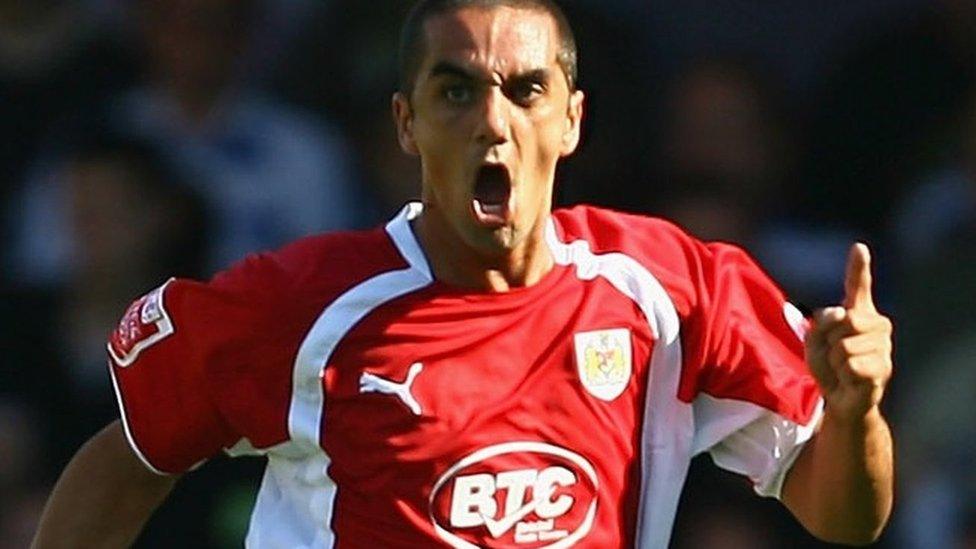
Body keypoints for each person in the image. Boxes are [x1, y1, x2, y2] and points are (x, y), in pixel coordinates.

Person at [32, 1, 894, 547]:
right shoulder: (307, 304)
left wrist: (855, 413)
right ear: (405, 125)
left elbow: (846, 517)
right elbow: (129, 458)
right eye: (456, 92)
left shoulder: (670, 289)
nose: (493, 122)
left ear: (572, 120)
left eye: (525, 91)